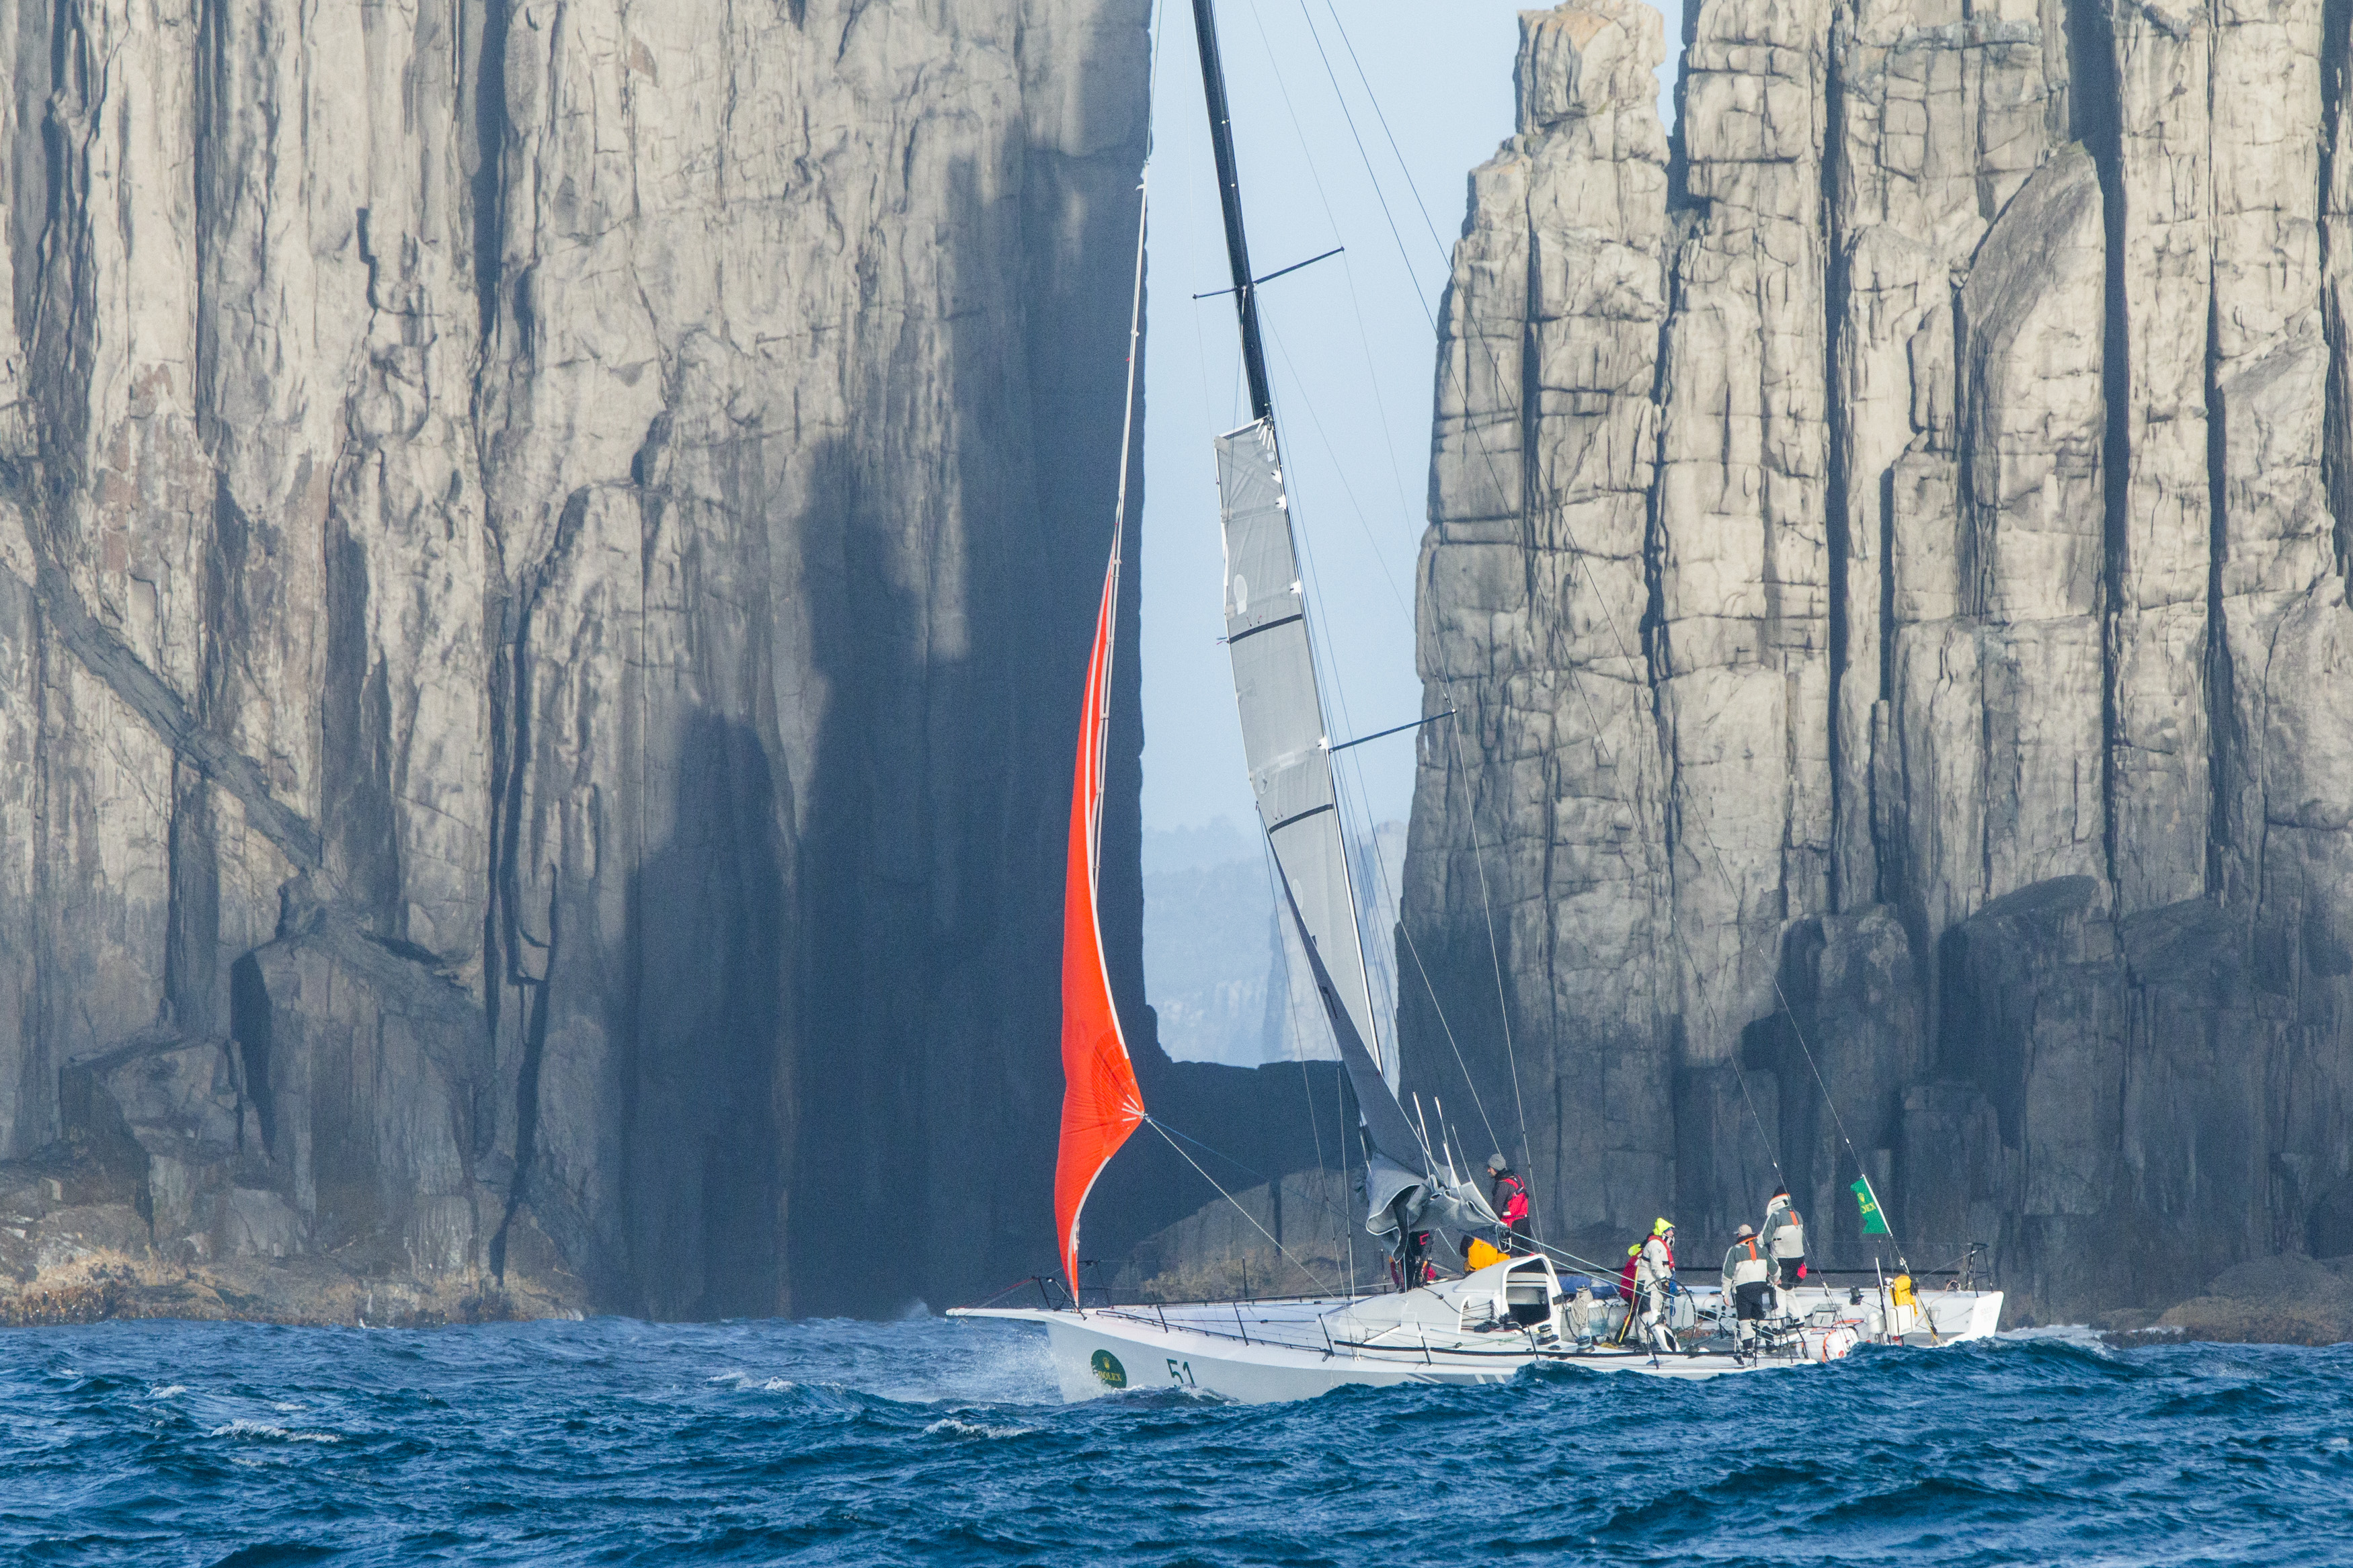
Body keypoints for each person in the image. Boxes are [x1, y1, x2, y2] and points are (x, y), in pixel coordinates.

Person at [1720, 1223, 1773, 1358]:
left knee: (1744, 1320)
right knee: (1759, 1316)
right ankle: (1770, 1341)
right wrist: (1777, 1279)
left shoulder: (1734, 1250)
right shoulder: (1763, 1249)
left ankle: (1748, 1349)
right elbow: (1775, 1268)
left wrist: (1725, 1293)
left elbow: (1727, 1274)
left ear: (1740, 1236)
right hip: (1759, 1288)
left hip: (1742, 1288)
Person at [1635, 1218, 1679, 1358]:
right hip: (1650, 1284)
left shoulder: (1662, 1246)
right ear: (1664, 1232)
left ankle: (1652, 1339)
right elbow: (1657, 1266)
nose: (1673, 1234)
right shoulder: (1655, 1244)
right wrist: (1665, 1280)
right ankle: (1645, 1342)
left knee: (1656, 1310)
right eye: (1670, 1231)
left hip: (1656, 1284)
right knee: (1648, 1312)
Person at [1761, 1188, 1806, 1309]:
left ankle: (1778, 1323)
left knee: (1778, 1289)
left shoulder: (1775, 1216)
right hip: (1799, 1260)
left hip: (1782, 1259)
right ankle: (1799, 1320)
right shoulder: (1798, 1215)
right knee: (1789, 1289)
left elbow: (1764, 1238)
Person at [1485, 1153, 1531, 1253]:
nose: (1488, 1170)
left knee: (1510, 1253)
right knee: (1526, 1251)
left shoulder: (1502, 1185)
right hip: (1525, 1221)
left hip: (1513, 1226)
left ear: (1496, 1169)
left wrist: (1489, 1226)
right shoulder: (1516, 1177)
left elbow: (1496, 1210)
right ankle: (1533, 1267)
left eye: (1490, 1168)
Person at [1566, 1280, 1596, 1349]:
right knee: (1583, 1328)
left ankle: (1589, 1341)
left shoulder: (1587, 1299)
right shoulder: (1576, 1303)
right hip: (1583, 1327)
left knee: (1585, 1328)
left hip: (1586, 1327)